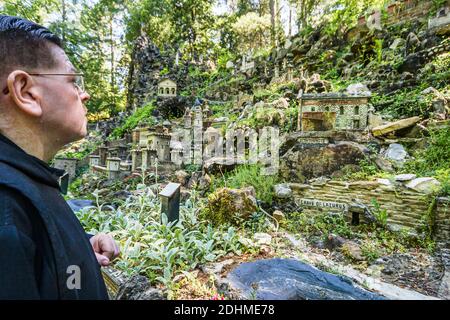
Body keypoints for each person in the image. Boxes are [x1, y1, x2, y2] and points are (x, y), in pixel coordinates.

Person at [0, 15, 119, 299]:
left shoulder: (29, 181)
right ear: (26, 92)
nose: (85, 94)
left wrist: (78, 248)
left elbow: (47, 272)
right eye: (73, 81)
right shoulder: (6, 207)